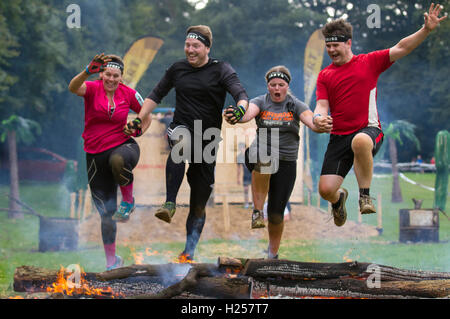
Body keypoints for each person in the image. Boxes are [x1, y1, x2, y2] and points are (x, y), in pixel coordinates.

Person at [313, 3, 447, 227]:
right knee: (326, 190)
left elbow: (402, 47)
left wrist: (425, 30)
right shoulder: (325, 75)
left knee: (360, 140)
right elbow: (321, 105)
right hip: (338, 137)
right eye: (328, 47)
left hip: (369, 130)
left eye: (336, 45)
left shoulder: (369, 62)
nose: (331, 51)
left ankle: (365, 196)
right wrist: (318, 118)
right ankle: (339, 200)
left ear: (349, 43)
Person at [126, 25, 249, 262]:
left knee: (199, 200)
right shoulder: (177, 68)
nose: (190, 50)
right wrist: (140, 118)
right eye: (187, 45)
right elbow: (155, 94)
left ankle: (189, 250)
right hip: (181, 127)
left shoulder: (221, 69)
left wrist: (241, 108)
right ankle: (169, 203)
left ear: (207, 48)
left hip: (208, 137)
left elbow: (240, 93)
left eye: (195, 46)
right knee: (179, 143)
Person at [225, 65, 330, 259]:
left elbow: (311, 121)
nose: (276, 89)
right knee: (264, 158)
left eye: (280, 85)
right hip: (259, 154)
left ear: (286, 86)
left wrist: (320, 124)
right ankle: (257, 211)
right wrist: (237, 116)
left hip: (286, 163)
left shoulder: (295, 104)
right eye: (272, 85)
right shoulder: (260, 102)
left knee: (275, 214)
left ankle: (272, 254)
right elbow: (248, 114)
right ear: (268, 86)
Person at [68, 53, 150, 270]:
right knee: (106, 214)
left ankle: (128, 201)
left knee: (117, 159)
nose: (112, 79)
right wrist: (87, 71)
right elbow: (73, 88)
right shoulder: (92, 88)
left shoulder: (129, 93)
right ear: (102, 74)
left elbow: (146, 114)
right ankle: (111, 262)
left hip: (124, 146)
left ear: (121, 78)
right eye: (108, 75)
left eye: (116, 76)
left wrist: (138, 128)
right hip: (95, 154)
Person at [237, 143, 252, 208]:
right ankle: (246, 203)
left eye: (243, 148)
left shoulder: (250, 155)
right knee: (246, 190)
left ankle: (254, 204)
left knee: (254, 190)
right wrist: (238, 178)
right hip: (245, 175)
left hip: (252, 174)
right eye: (240, 148)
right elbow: (239, 169)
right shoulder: (239, 157)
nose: (242, 149)